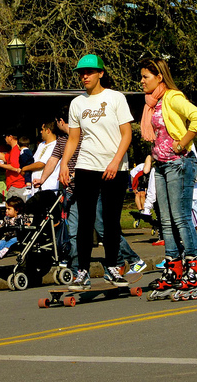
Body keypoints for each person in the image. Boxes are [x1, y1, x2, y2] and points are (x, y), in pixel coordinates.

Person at [42, 108, 146, 275]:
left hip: (90, 188)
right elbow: (53, 161)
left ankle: (132, 259)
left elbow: (93, 159)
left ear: (61, 121)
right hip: (71, 191)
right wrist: (42, 179)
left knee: (102, 227)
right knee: (74, 231)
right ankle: (78, 270)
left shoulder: (85, 137)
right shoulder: (62, 141)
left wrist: (79, 173)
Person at [60, 54, 133, 289]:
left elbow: (127, 134)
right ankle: (82, 271)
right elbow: (73, 138)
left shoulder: (116, 98)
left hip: (115, 167)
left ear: (101, 73)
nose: (85, 76)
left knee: (111, 220)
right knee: (85, 220)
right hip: (87, 166)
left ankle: (112, 267)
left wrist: (116, 161)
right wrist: (64, 163)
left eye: (89, 72)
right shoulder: (77, 103)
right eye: (81, 72)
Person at [139, 57, 197, 301]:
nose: (142, 81)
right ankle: (174, 269)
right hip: (161, 165)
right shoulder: (151, 103)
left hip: (179, 164)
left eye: (146, 76)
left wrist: (183, 142)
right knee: (165, 221)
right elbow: (158, 135)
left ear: (159, 77)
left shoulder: (172, 97)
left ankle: (194, 270)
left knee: (181, 218)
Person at [21, 121, 61, 197]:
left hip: (47, 187)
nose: (41, 132)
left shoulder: (55, 145)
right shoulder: (41, 145)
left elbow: (41, 164)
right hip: (34, 187)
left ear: (48, 130)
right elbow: (33, 162)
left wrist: (24, 169)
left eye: (42, 129)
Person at [0, 196, 29, 265]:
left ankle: (2, 252)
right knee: (0, 243)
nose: (6, 211)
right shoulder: (6, 218)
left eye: (9, 209)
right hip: (7, 237)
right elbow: (3, 226)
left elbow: (27, 224)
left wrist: (27, 225)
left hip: (18, 237)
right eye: (6, 209)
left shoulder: (21, 217)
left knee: (12, 242)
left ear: (17, 210)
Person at [0, 133, 26, 201]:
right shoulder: (14, 150)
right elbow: (5, 158)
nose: (4, 139)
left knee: (14, 208)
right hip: (15, 185)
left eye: (5, 137)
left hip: (17, 185)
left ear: (10, 137)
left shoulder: (16, 149)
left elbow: (15, 167)